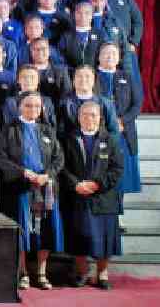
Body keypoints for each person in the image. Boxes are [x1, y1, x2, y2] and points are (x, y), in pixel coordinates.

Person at [0, 93, 64, 290]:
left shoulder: (47, 130)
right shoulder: (9, 130)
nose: (33, 109)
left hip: (45, 188)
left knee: (46, 232)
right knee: (22, 232)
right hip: (20, 189)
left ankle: (41, 273)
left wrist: (48, 174)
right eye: (28, 105)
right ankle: (23, 273)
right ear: (20, 107)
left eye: (37, 106)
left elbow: (59, 158)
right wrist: (23, 172)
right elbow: (1, 158)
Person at [60, 101, 123, 290]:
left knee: (104, 238)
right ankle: (81, 272)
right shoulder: (68, 139)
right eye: (85, 114)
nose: (89, 118)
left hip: (103, 198)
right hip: (78, 195)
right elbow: (62, 167)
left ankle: (102, 274)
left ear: (100, 118)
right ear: (79, 118)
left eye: (93, 115)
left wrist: (97, 185)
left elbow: (117, 169)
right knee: (79, 236)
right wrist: (76, 184)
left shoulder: (111, 139)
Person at [95, 42, 143, 195]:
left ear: (119, 58)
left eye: (114, 54)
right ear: (99, 57)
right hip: (101, 130)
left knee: (121, 176)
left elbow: (137, 104)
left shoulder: (127, 76)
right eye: (106, 53)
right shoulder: (92, 75)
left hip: (124, 132)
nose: (110, 57)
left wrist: (122, 121)